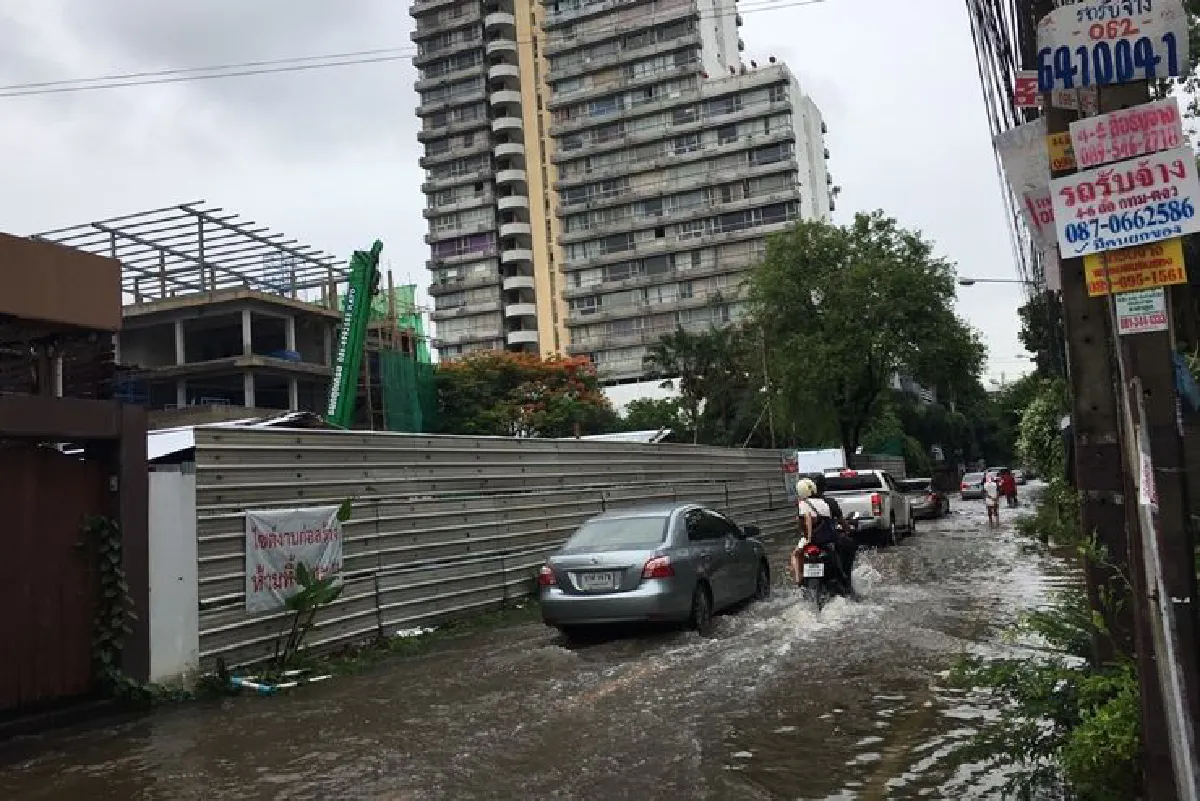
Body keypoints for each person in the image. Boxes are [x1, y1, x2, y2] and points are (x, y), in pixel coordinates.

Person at [789, 477, 856, 592]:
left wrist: (808, 537)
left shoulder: (803, 504)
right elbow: (840, 523)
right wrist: (849, 529)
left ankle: (798, 580)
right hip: (827, 540)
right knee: (849, 546)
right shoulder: (827, 503)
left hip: (811, 541)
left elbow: (805, 522)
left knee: (795, 555)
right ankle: (846, 581)